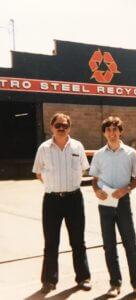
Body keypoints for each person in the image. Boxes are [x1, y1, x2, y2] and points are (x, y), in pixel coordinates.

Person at [32, 112, 91, 294]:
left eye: (64, 125)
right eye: (58, 125)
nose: (61, 128)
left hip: (74, 199)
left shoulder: (77, 146)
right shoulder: (44, 148)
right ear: (52, 127)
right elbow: (38, 173)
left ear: (69, 127)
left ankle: (83, 277)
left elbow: (84, 169)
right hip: (52, 201)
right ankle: (49, 281)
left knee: (78, 241)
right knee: (51, 242)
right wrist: (54, 186)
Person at [89, 116, 136, 297]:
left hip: (122, 203)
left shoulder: (130, 153)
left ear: (120, 131)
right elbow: (94, 180)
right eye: (108, 130)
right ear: (104, 133)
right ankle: (114, 283)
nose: (112, 133)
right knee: (109, 245)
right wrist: (97, 190)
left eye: (115, 129)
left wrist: (127, 188)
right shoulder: (98, 154)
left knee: (130, 244)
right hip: (105, 204)